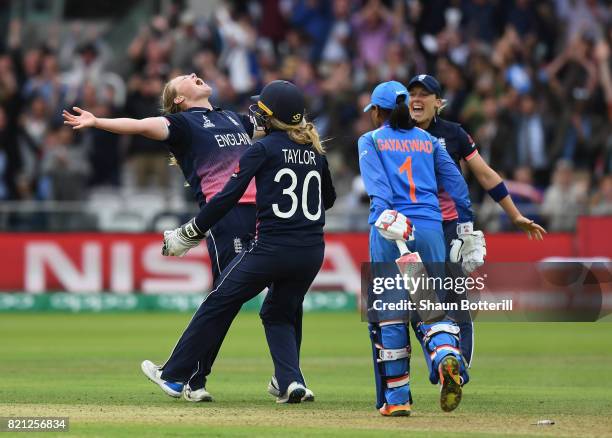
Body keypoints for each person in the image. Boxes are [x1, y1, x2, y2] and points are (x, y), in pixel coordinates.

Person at [140, 80, 336, 403]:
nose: (254, 113)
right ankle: (291, 382)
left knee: (220, 299)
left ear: (271, 117)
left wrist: (189, 232)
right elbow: (327, 200)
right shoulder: (315, 152)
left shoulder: (261, 148)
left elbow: (227, 196)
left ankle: (174, 376)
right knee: (279, 312)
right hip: (312, 251)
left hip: (270, 248)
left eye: (261, 109)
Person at [62, 72, 259, 389]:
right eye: (185, 78)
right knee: (224, 301)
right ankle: (186, 379)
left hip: (262, 214)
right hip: (226, 217)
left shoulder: (234, 118)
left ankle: (193, 379)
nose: (194, 74)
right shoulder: (182, 125)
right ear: (179, 100)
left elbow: (273, 131)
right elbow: (140, 125)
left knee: (230, 302)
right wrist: (98, 121)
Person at [359, 81, 485, 416]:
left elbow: (378, 188)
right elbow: (457, 185)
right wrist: (466, 228)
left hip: (390, 230)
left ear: (377, 111)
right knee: (429, 306)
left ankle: (398, 399)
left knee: (390, 312)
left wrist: (387, 217)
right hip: (429, 230)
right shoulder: (429, 140)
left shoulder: (370, 140)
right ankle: (446, 354)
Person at [406, 74, 547, 367]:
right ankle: (442, 359)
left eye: (424, 94)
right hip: (413, 227)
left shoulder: (453, 134)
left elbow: (485, 174)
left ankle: (458, 366)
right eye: (412, 94)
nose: (417, 99)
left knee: (454, 297)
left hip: (448, 225)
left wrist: (515, 214)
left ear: (439, 103)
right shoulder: (397, 134)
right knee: (418, 306)